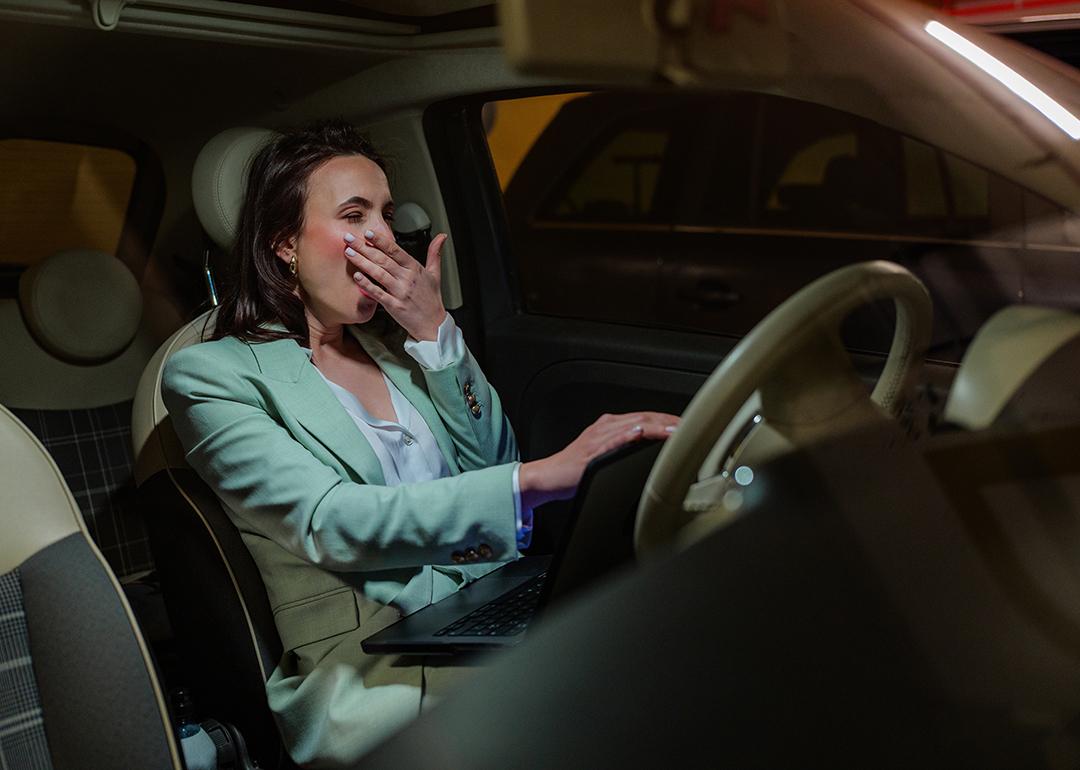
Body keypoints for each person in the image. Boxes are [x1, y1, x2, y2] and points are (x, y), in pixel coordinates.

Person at [161, 118, 679, 768]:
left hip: (487, 606)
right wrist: (542, 479)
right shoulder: (210, 374)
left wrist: (436, 333)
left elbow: (494, 466)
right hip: (373, 660)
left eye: (383, 212)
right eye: (354, 214)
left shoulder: (398, 349)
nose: (382, 234)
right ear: (284, 243)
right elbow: (328, 520)